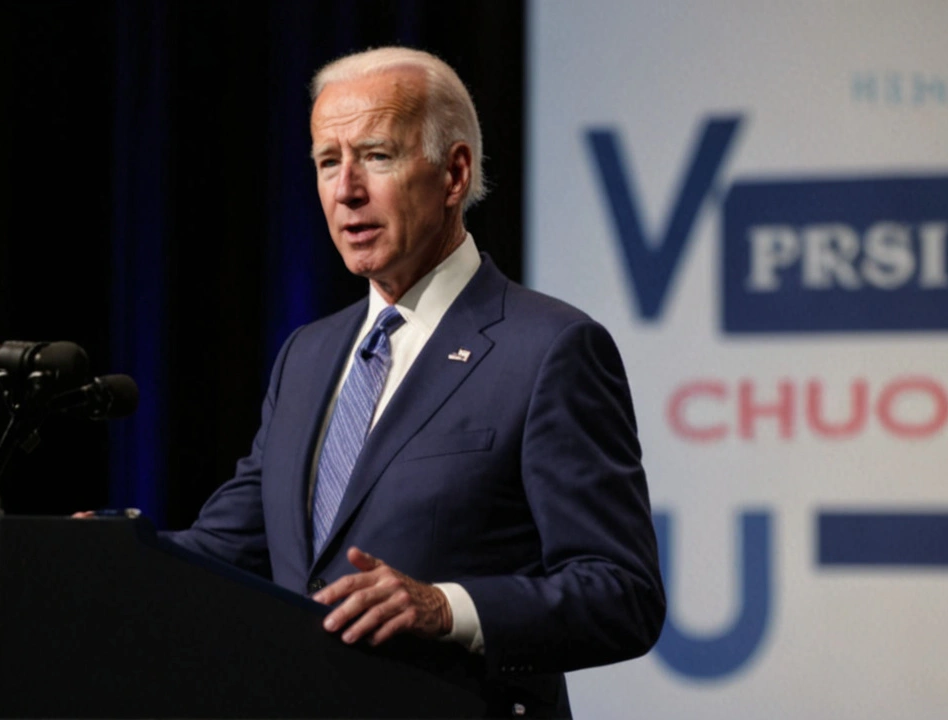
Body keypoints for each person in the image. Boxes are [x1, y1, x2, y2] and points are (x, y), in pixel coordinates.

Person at [162, 46, 665, 716]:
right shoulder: (307, 355)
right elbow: (228, 545)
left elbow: (621, 593)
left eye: (376, 155)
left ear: (454, 174)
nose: (346, 191)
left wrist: (443, 607)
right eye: (327, 162)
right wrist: (104, 553)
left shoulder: (548, 350)